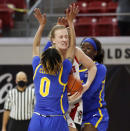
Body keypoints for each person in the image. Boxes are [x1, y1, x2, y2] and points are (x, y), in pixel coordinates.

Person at [42, 4, 97, 131]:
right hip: (57, 103)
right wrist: (58, 29)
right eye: (61, 36)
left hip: (74, 104)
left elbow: (92, 67)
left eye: (66, 36)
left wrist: (86, 85)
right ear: (54, 40)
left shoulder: (76, 52)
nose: (65, 39)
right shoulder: (51, 54)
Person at [28, 6, 78, 131]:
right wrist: (71, 23)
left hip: (37, 119)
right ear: (59, 62)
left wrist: (41, 25)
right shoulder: (62, 70)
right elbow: (72, 47)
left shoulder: (37, 65)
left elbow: (36, 45)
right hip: (56, 119)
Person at [79, 37, 109, 131]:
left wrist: (71, 99)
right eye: (82, 47)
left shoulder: (100, 68)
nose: (84, 50)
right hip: (77, 114)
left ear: (95, 53)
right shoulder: (75, 69)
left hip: (95, 113)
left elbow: (89, 93)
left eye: (88, 48)